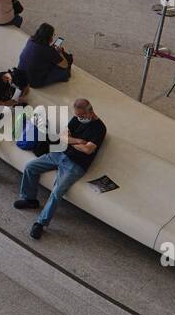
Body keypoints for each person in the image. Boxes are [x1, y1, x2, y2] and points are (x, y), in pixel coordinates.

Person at [14, 98, 106, 239]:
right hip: (60, 154)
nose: (78, 118)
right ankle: (29, 199)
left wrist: (72, 141)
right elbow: (63, 137)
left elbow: (88, 150)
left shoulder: (99, 128)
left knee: (57, 191)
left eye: (81, 116)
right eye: (77, 115)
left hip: (76, 165)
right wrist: (78, 141)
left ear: (90, 112)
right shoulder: (76, 119)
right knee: (30, 167)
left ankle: (41, 223)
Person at [18, 22, 73, 88]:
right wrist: (60, 53)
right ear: (49, 37)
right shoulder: (48, 50)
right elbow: (65, 65)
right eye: (53, 35)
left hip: (20, 74)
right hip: (33, 82)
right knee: (65, 70)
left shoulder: (30, 40)